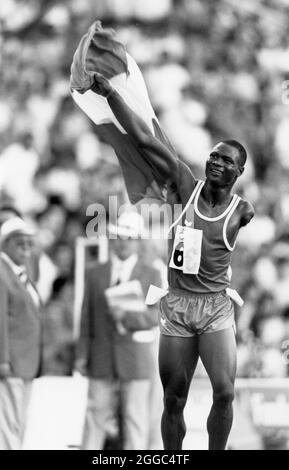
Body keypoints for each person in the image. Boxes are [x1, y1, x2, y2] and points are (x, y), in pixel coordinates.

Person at [79, 72, 255, 450]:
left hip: (215, 306)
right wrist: (110, 94)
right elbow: (143, 138)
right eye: (213, 156)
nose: (216, 163)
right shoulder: (185, 186)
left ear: (239, 172)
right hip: (175, 305)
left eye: (226, 161)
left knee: (225, 392)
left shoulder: (243, 211)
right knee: (174, 398)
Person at [75, 211, 162, 450]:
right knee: (94, 418)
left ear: (138, 242)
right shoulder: (95, 273)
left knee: (135, 421)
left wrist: (129, 317)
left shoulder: (152, 273)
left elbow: (157, 316)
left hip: (135, 359)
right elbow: (86, 318)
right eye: (119, 237)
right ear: (112, 239)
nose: (123, 242)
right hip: (101, 357)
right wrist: (82, 355)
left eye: (129, 238)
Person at [0, 217, 42, 450]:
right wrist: (0, 360)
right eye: (19, 242)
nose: (26, 248)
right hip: (9, 364)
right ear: (5, 244)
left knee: (18, 424)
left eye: (29, 243)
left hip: (24, 363)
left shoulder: (20, 272)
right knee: (5, 427)